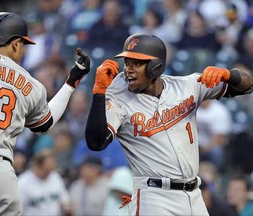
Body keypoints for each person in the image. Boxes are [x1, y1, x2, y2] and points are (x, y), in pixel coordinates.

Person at [85, 33, 253, 215]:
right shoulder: (118, 99)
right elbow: (96, 142)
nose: (128, 69)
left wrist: (230, 75)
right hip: (155, 196)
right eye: (127, 62)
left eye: (137, 63)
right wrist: (99, 93)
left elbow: (247, 85)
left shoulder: (186, 86)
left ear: (156, 67)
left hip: (194, 195)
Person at [0, 12, 90, 216]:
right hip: (6, 175)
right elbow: (45, 124)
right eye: (22, 44)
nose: (22, 50)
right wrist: (71, 82)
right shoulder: (30, 83)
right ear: (14, 44)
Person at [18, 149, 71, 216]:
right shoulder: (23, 182)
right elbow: (19, 211)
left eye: (50, 170)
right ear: (37, 165)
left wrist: (67, 207)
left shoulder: (55, 177)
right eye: (46, 170)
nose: (49, 173)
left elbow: (65, 201)